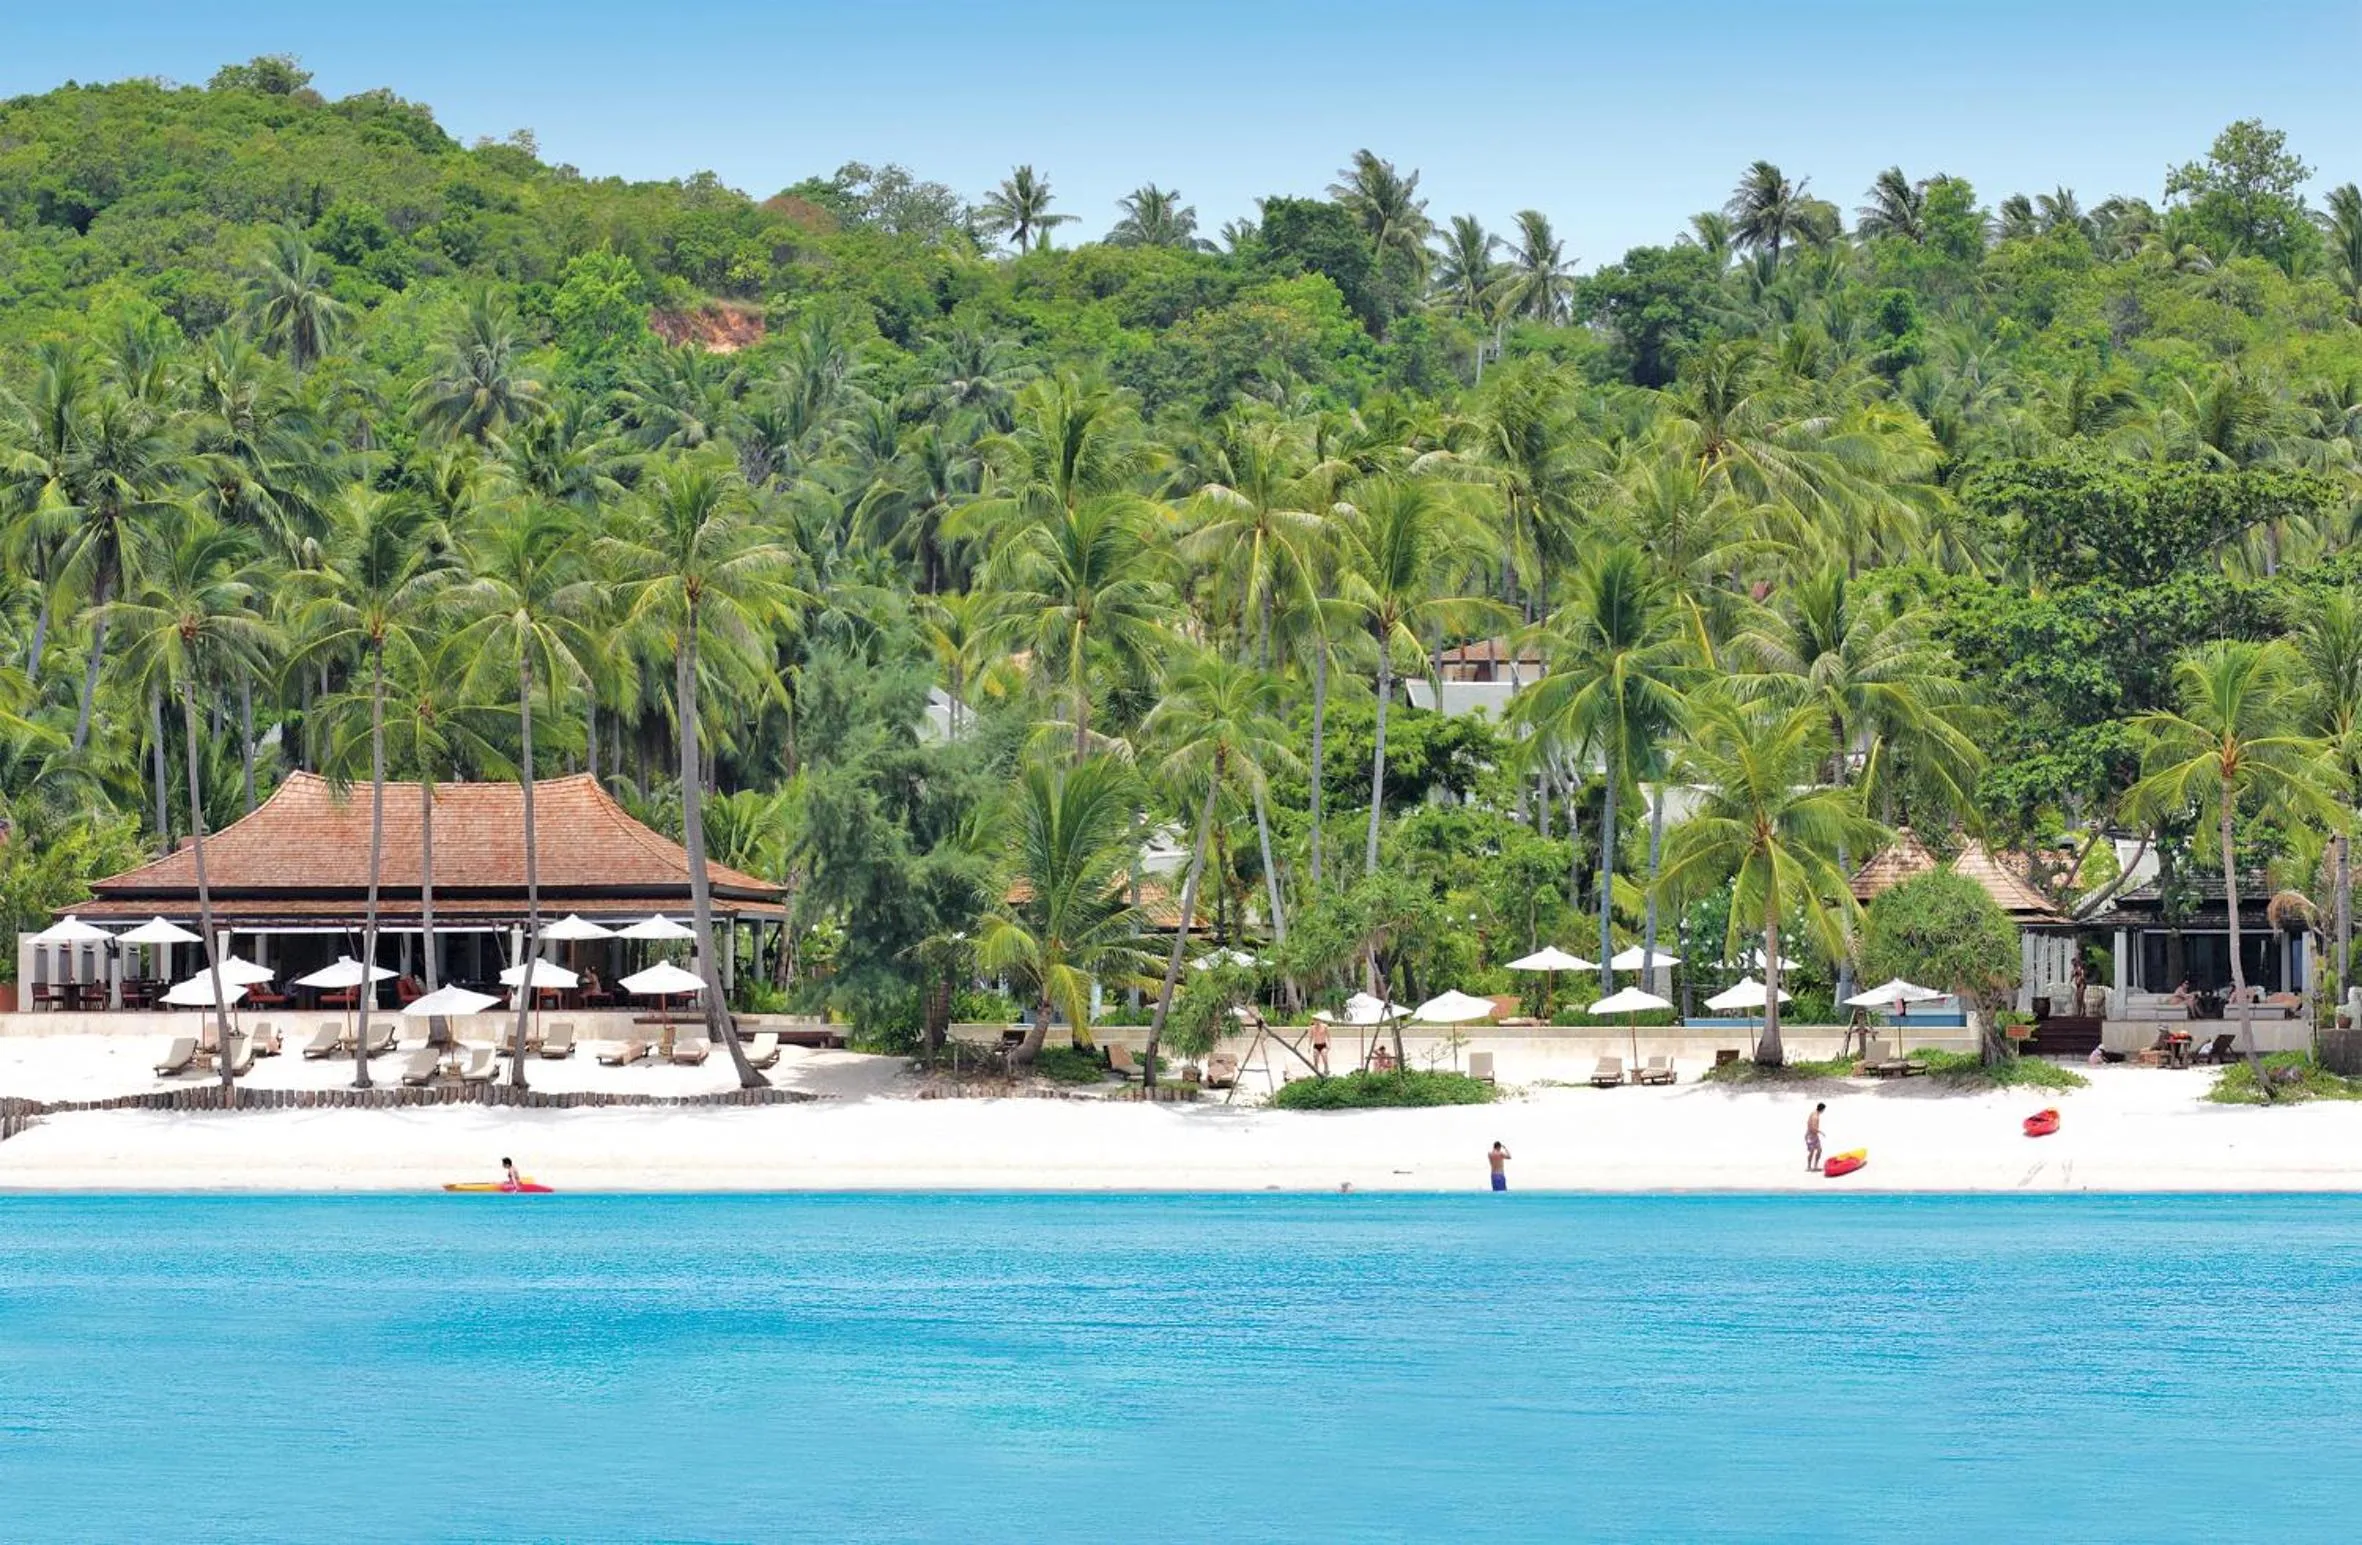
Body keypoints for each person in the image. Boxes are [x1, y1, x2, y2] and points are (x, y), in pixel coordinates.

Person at [1805, 1104, 1825, 1173]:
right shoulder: (1815, 1117)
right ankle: (1809, 1167)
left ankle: (1815, 1166)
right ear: (1822, 1109)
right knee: (1812, 1151)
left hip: (1813, 1135)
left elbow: (1807, 1122)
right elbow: (1813, 1127)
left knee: (1819, 1150)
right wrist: (1821, 1132)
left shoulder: (1814, 1112)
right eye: (1824, 1110)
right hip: (1811, 1136)